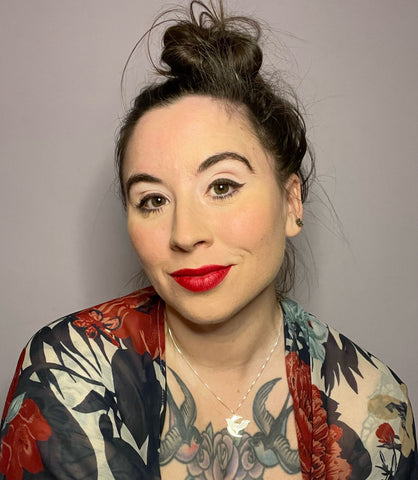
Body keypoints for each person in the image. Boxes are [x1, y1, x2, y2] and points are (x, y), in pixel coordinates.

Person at [0, 1, 416, 479]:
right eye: (153, 200)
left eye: (222, 187)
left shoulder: (373, 406)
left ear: (292, 201)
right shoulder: (67, 371)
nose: (185, 235)